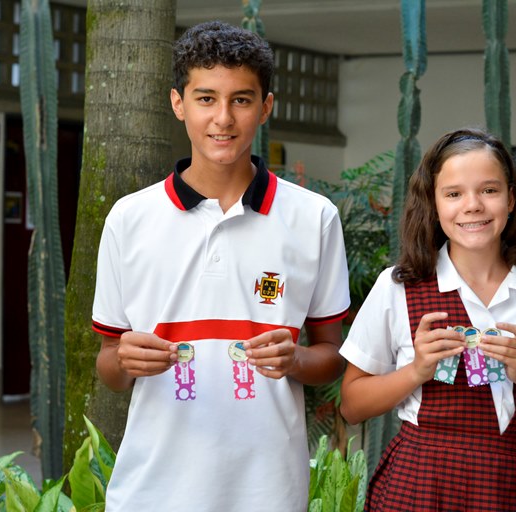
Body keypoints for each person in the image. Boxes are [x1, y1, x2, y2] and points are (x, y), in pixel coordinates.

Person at [92, 21, 350, 511]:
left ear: (266, 107)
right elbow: (109, 362)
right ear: (178, 103)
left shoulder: (314, 217)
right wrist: (125, 362)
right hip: (151, 489)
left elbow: (331, 355)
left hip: (268, 489)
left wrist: (294, 359)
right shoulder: (130, 218)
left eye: (242, 100)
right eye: (206, 98)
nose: (223, 119)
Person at [339, 127, 516, 511]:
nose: (472, 205)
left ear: (511, 199)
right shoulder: (398, 286)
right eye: (454, 193)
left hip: (508, 486)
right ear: (434, 203)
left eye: (489, 190)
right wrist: (416, 371)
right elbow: (351, 406)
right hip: (417, 484)